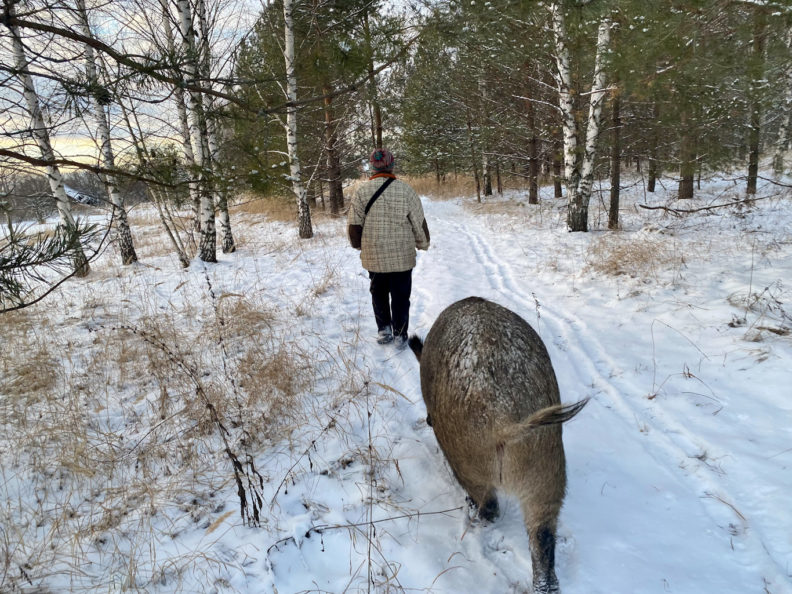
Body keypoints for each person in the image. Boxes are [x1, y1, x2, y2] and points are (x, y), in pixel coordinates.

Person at [348, 148, 430, 347]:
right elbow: (418, 222)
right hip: (401, 255)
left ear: (372, 168)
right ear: (392, 165)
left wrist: (359, 244)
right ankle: (400, 333)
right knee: (401, 295)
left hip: (374, 254)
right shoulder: (406, 190)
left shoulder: (361, 191)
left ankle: (384, 329)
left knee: (378, 292)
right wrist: (423, 242)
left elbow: (354, 225)